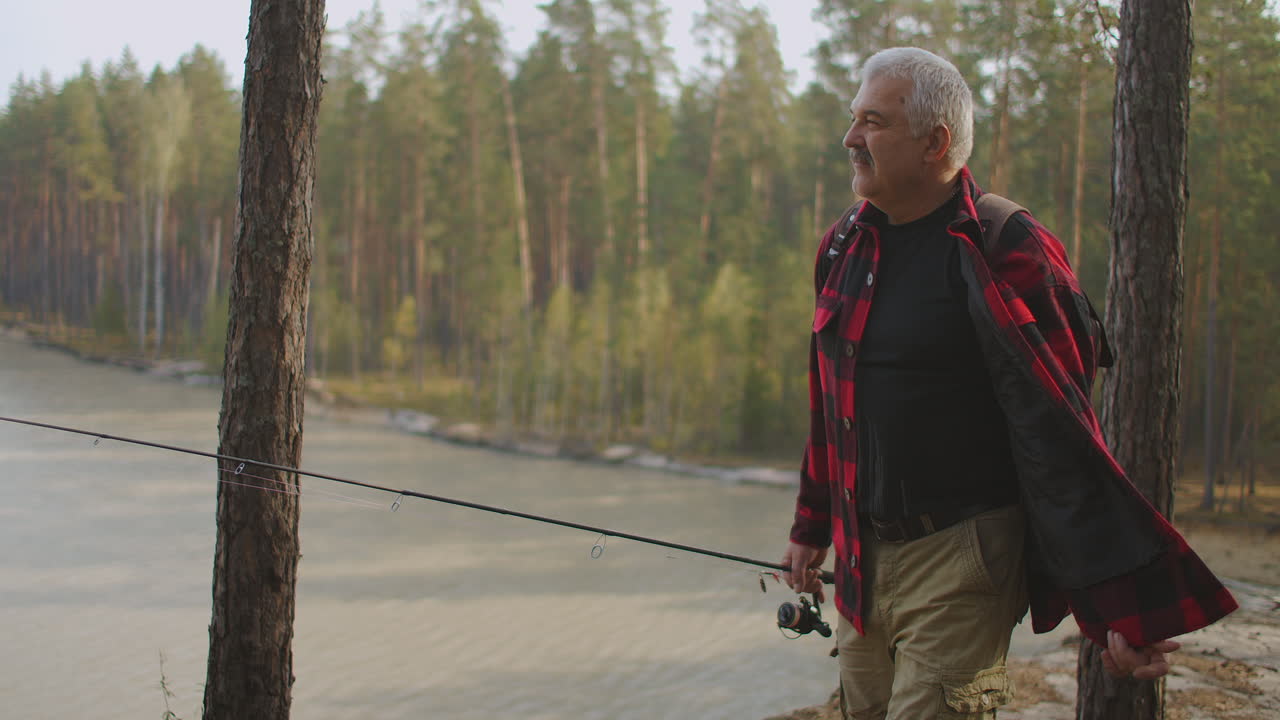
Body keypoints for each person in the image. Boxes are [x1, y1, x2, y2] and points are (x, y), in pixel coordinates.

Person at [781, 47, 1236, 719]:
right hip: (859, 561)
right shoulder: (843, 245)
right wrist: (810, 525)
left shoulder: (1005, 247)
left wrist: (1117, 608)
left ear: (935, 142)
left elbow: (1064, 436)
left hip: (965, 557)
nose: (850, 138)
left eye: (873, 122)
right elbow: (831, 404)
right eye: (854, 118)